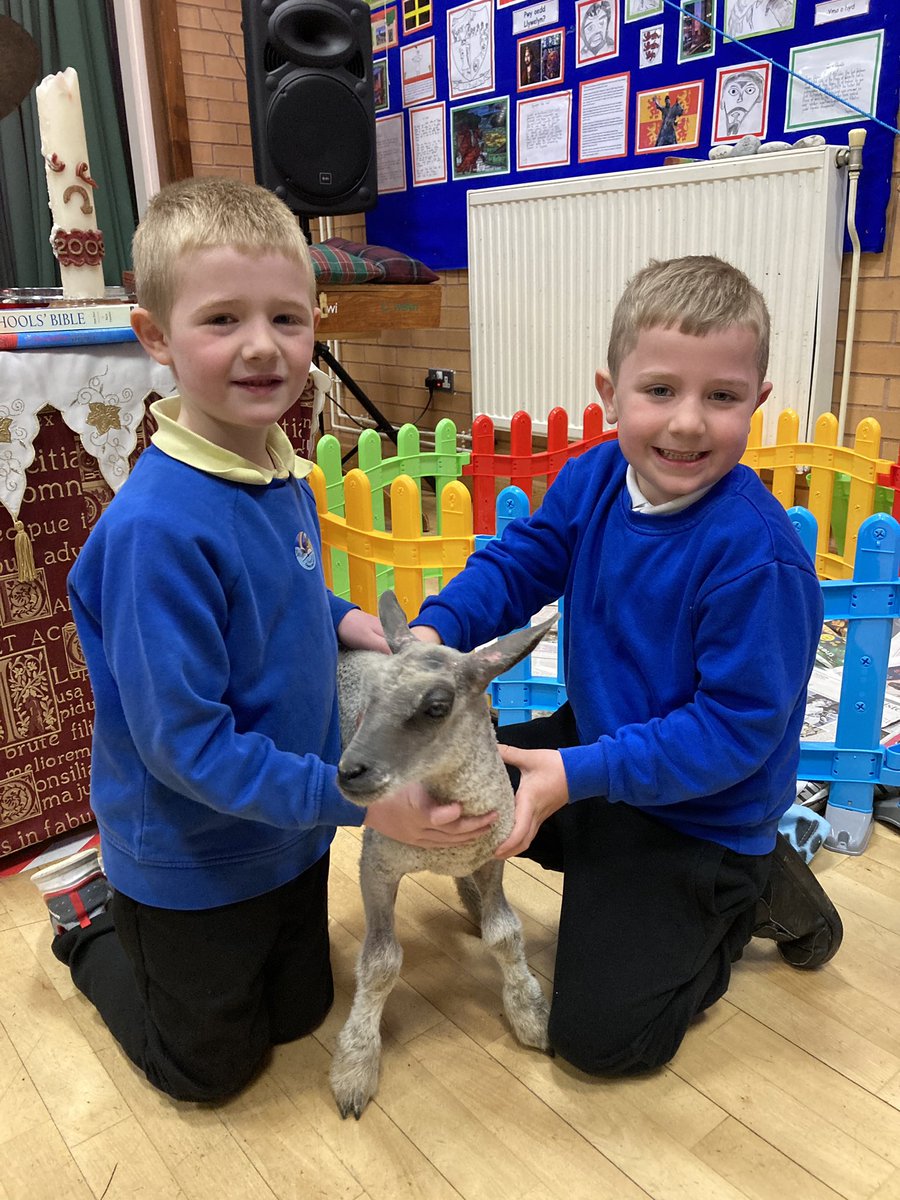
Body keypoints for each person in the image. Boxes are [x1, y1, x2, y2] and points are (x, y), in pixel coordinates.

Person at [30, 176, 496, 1104]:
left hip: (289, 829)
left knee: (301, 1013)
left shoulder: (274, 467)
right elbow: (183, 744)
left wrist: (342, 617)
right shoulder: (155, 533)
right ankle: (90, 922)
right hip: (189, 851)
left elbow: (280, 593)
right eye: (221, 320)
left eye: (286, 317)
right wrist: (361, 806)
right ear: (154, 336)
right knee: (210, 1072)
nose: (262, 347)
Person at [409, 255, 843, 1077]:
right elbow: (522, 561)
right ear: (610, 392)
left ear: (757, 401)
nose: (686, 423)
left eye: (720, 397)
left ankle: (749, 890)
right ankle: (622, 854)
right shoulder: (598, 476)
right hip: (607, 748)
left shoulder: (758, 560)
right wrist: (438, 632)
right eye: (659, 392)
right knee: (441, 783)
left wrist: (574, 776)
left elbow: (730, 733)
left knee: (601, 1045)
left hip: (704, 811)